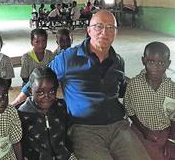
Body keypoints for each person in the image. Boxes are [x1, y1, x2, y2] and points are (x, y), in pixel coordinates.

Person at [48, 10, 150, 159]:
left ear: (116, 33)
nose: (104, 32)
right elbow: (41, 78)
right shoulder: (68, 58)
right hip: (84, 128)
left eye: (110, 28)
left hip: (118, 126)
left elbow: (120, 89)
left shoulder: (118, 61)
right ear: (89, 30)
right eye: (99, 26)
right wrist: (20, 101)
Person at [124, 41, 175, 160]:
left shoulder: (171, 88)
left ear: (168, 64)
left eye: (161, 63)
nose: (156, 67)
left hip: (166, 132)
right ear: (143, 60)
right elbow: (130, 110)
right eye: (151, 62)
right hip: (141, 131)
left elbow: (173, 116)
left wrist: (171, 140)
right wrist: (144, 130)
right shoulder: (134, 85)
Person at [18, 66, 77, 160]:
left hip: (64, 156)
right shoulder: (23, 113)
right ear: (30, 91)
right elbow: (20, 143)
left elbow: (68, 132)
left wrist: (69, 152)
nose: (46, 96)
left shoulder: (61, 106)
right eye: (40, 93)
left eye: (52, 91)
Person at [11, 28, 72, 106]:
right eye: (37, 42)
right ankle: (18, 102)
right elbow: (25, 77)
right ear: (32, 42)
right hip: (31, 87)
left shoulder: (50, 55)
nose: (41, 45)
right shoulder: (27, 57)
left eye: (44, 41)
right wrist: (37, 85)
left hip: (46, 86)